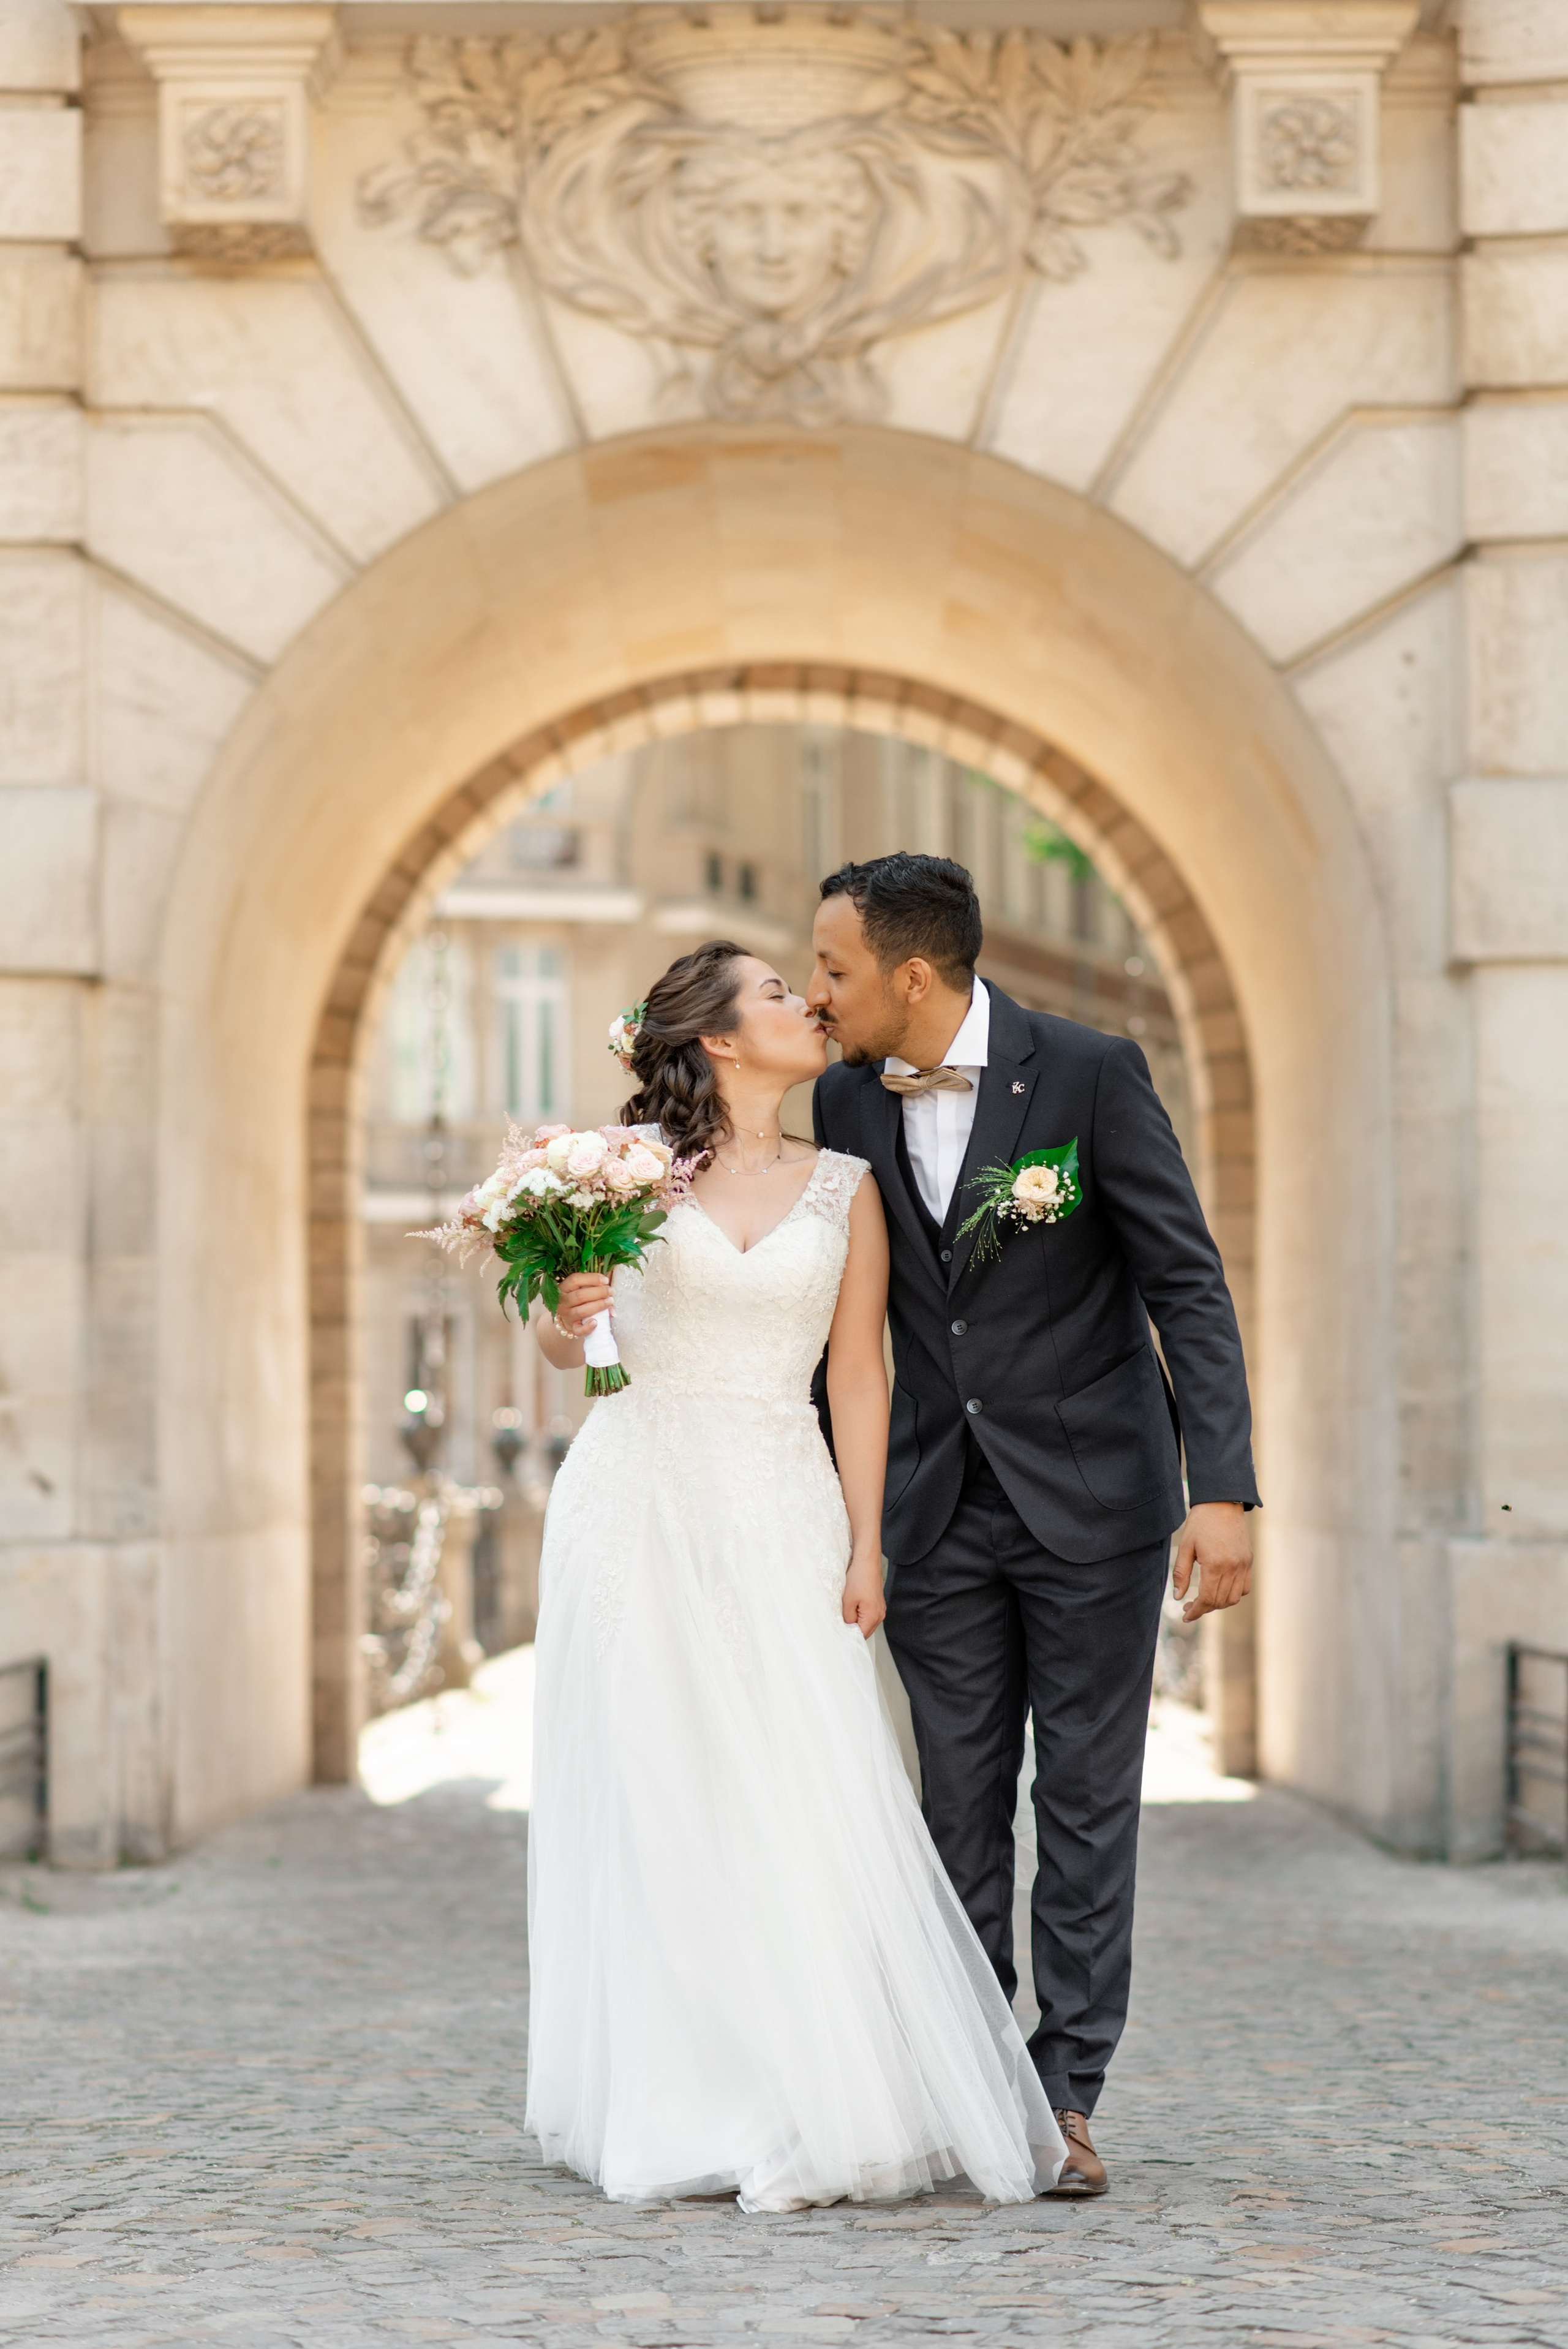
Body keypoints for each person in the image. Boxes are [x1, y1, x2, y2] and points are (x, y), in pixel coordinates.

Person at [527, 940, 1066, 2212]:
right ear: (716, 1039)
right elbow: (570, 1344)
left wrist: (866, 1541)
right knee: (661, 1788)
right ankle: (682, 2094)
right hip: (638, 1498)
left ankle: (803, 2084)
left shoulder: (846, 1185)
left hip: (782, 1498)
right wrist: (565, 1306)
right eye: (775, 992)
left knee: (797, 1781)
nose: (804, 1002)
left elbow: (861, 1375)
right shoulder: (624, 1176)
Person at [808, 853, 1259, 2198]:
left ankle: (1063, 2094)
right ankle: (967, 2078)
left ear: (911, 973)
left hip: (1096, 1509)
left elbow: (1186, 1281)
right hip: (931, 1509)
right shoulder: (839, 1099)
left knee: (1081, 1802)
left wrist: (1220, 1489)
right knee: (950, 1810)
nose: (817, 993)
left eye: (832, 969)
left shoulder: (1089, 1071)